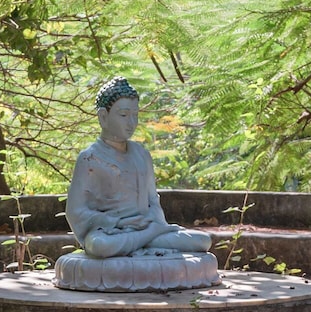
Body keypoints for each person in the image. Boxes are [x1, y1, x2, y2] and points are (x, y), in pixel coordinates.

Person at [65, 78, 211, 258]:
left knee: (202, 240)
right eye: (124, 115)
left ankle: (144, 240)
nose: (131, 122)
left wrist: (153, 223)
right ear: (103, 117)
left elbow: (153, 201)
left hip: (146, 227)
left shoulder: (141, 154)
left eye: (135, 114)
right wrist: (118, 222)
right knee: (98, 245)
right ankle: (148, 240)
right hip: (112, 233)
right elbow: (75, 211)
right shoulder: (89, 158)